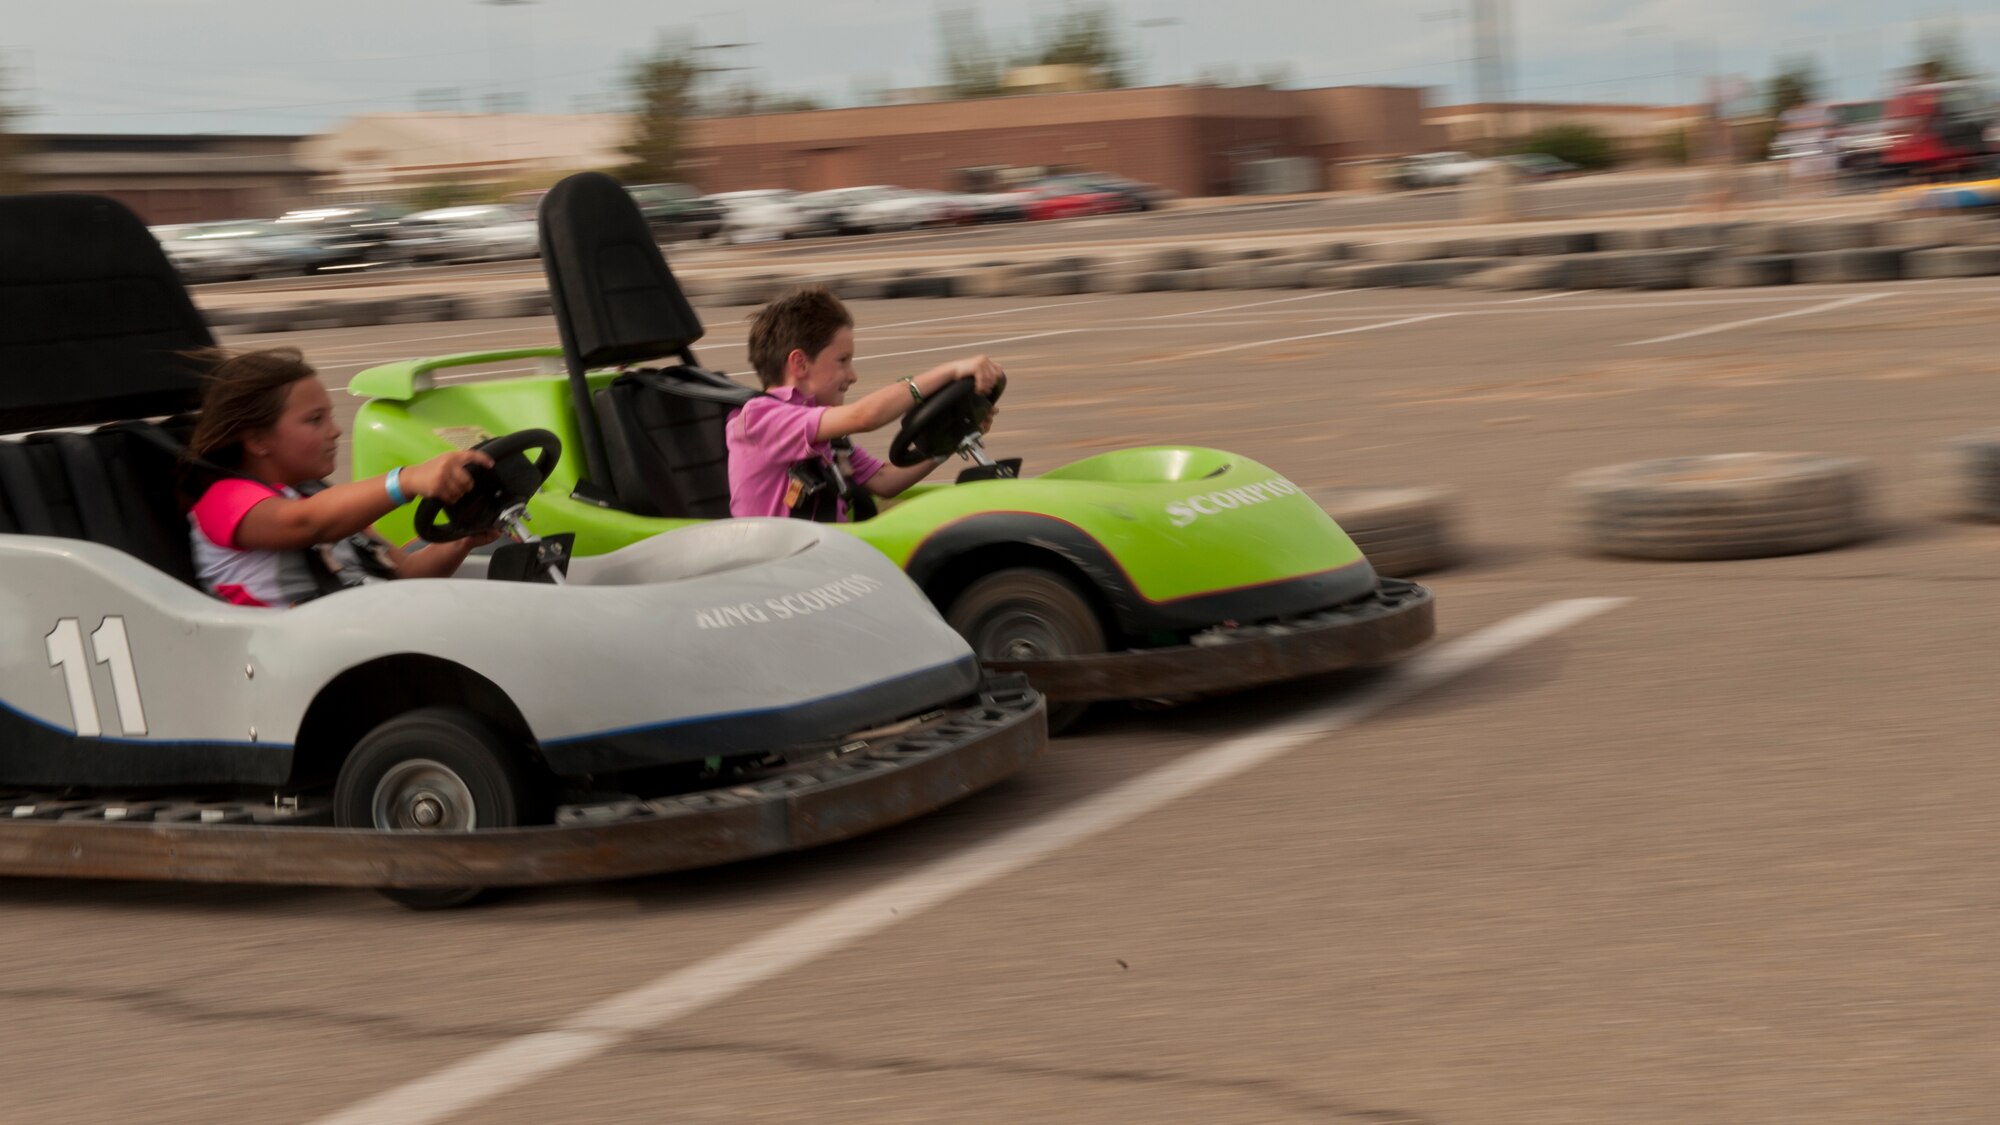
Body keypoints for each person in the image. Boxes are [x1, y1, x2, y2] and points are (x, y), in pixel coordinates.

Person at [183, 347, 495, 607]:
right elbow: (306, 523)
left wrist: (463, 538)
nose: (335, 430)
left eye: (330, 416)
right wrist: (406, 480)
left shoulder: (319, 499)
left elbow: (408, 574)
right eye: (315, 420)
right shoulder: (224, 499)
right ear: (257, 441)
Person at [726, 286, 1003, 521]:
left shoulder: (825, 434)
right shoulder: (760, 419)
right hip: (779, 572)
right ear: (799, 363)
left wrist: (952, 436)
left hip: (823, 562)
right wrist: (950, 371)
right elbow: (865, 417)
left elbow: (885, 481)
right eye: (842, 360)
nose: (853, 376)